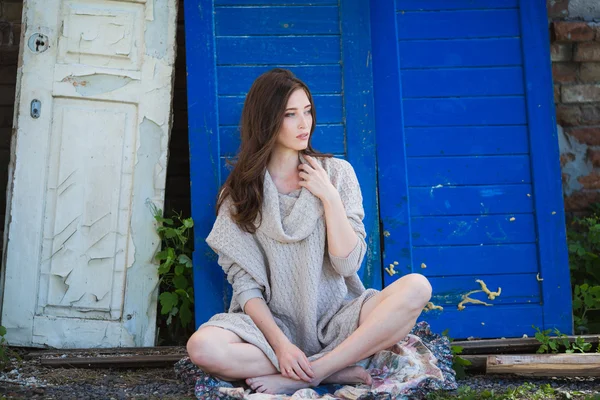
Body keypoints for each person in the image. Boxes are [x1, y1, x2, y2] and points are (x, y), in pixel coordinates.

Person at [186, 68, 432, 395]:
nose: (305, 123)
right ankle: (335, 367)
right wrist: (281, 345)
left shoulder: (337, 173)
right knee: (202, 348)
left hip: (338, 319)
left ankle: (317, 371)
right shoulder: (241, 195)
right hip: (273, 327)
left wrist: (328, 196)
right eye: (291, 114)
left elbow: (348, 265)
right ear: (266, 121)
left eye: (308, 111)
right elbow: (245, 286)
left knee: (417, 287)